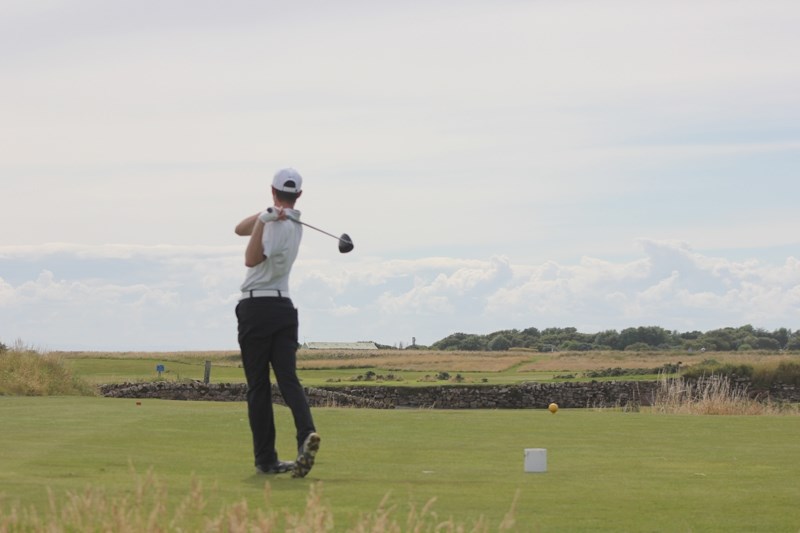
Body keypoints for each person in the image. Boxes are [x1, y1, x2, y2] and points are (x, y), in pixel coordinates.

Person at [234, 168, 320, 477]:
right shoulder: (294, 224)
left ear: (272, 190)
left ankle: (266, 460)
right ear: (298, 194)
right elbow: (237, 228)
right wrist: (265, 215)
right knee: (288, 379)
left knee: (258, 386)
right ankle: (306, 434)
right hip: (284, 307)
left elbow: (251, 257)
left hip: (256, 307)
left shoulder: (274, 227)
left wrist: (263, 222)